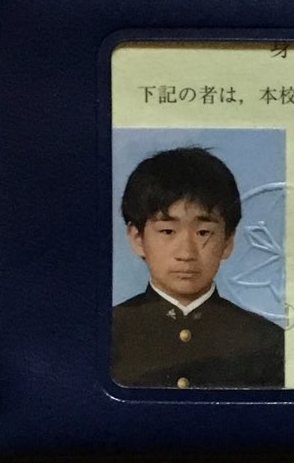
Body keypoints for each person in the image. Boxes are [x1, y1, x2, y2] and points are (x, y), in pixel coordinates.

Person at [112, 146, 284, 387]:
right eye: (167, 231)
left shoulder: (268, 341)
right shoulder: (107, 334)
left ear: (227, 241)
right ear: (137, 238)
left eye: (203, 232)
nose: (186, 253)